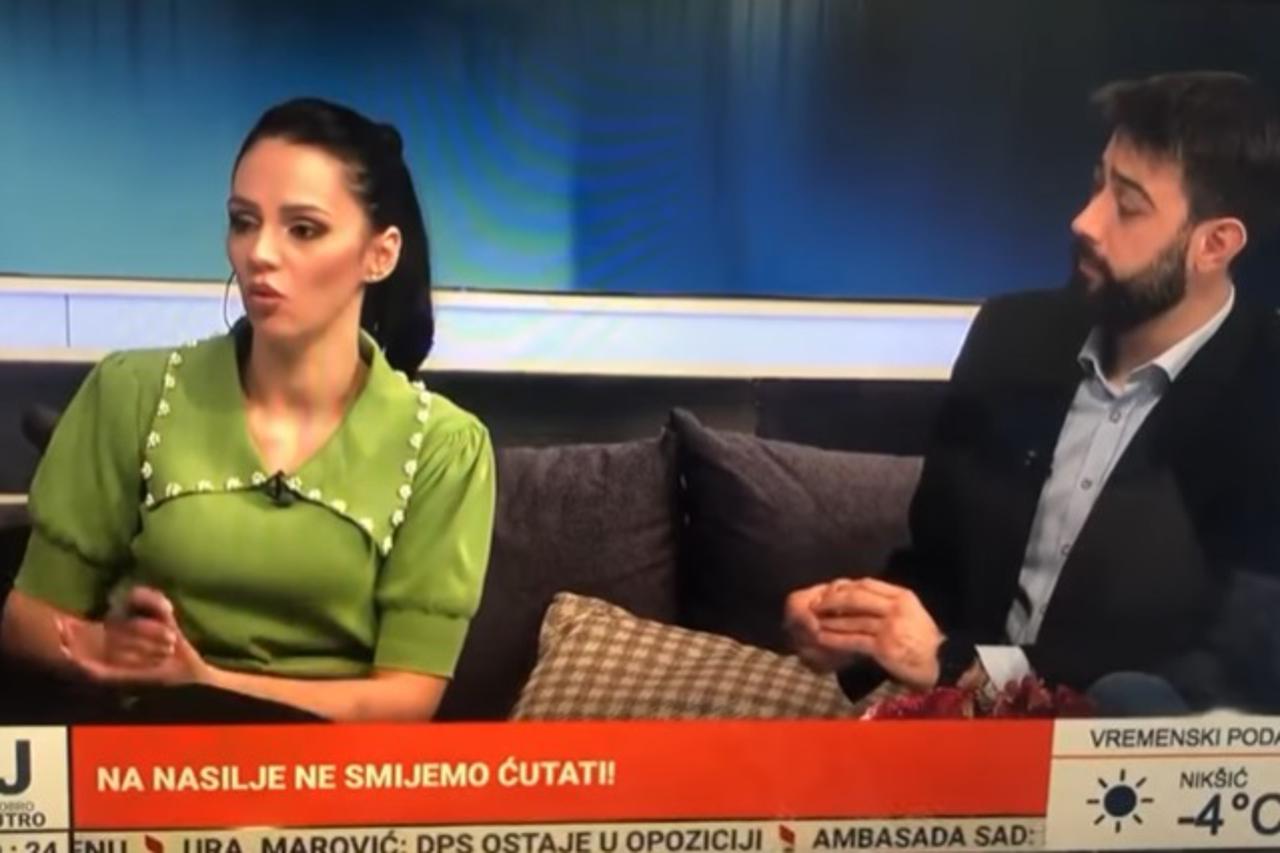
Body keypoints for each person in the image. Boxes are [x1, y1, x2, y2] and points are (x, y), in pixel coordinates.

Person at [785, 71, 1280, 715]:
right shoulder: (1009, 338)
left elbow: (1223, 673)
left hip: (1136, 756)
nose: (1085, 221)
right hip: (959, 735)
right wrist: (855, 626)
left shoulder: (1263, 393)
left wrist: (963, 667)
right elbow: (943, 567)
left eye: (1128, 205)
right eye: (1097, 183)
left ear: (1214, 244)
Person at [0, 98, 496, 722]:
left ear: (381, 254)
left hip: (333, 767)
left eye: (303, 229)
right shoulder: (132, 393)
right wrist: (106, 649)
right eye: (243, 221)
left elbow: (402, 703)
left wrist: (208, 681)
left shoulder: (444, 448)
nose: (260, 252)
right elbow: (27, 623)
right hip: (146, 751)